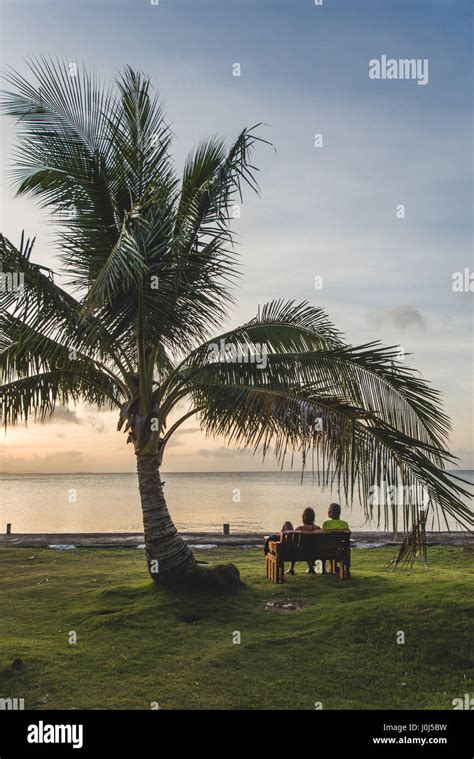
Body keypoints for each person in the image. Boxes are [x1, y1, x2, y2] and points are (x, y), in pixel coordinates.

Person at [286, 507, 321, 575]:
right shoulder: (318, 529)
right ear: (313, 518)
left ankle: (291, 568)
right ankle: (311, 567)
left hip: (299, 552)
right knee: (307, 548)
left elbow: (293, 542)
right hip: (314, 552)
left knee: (295, 547)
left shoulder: (299, 529)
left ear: (303, 517)